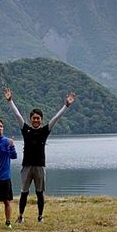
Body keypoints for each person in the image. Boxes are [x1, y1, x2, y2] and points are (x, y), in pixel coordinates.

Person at [4, 87, 76, 223]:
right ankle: (20, 216)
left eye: (38, 118)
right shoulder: (26, 130)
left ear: (41, 120)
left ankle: (40, 216)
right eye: (34, 118)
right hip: (26, 165)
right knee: (24, 192)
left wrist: (66, 106)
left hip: (40, 166)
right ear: (30, 119)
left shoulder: (44, 131)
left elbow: (56, 118)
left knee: (39, 193)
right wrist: (10, 101)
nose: (36, 120)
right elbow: (17, 115)